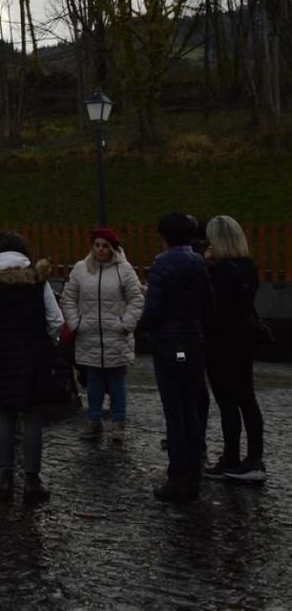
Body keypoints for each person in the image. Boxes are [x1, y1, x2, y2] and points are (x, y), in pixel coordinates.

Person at [0, 232, 65, 503]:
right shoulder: (36, 279)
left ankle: (4, 479)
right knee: (33, 417)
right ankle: (32, 480)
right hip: (33, 353)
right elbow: (55, 318)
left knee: (6, 416)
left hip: (1, 355)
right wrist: (48, 340)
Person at [138, 211, 215, 503]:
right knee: (192, 409)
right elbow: (209, 306)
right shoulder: (198, 262)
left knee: (174, 412)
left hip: (168, 344)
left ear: (165, 237)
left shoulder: (162, 264)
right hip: (194, 342)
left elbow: (154, 310)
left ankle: (177, 477)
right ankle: (194, 472)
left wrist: (144, 325)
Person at [61, 227, 144, 444]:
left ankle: (119, 424)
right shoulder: (80, 269)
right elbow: (68, 297)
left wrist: (126, 324)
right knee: (93, 381)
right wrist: (75, 322)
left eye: (104, 246)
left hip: (115, 334)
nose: (100, 249)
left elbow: (136, 298)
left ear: (112, 248)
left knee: (117, 381)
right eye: (97, 245)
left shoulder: (124, 270)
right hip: (88, 334)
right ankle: (94, 421)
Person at [202, 215, 266, 483]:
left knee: (227, 401)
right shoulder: (249, 266)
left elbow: (213, 310)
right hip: (245, 341)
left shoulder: (221, 271)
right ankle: (254, 458)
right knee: (247, 399)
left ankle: (231, 458)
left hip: (222, 344)